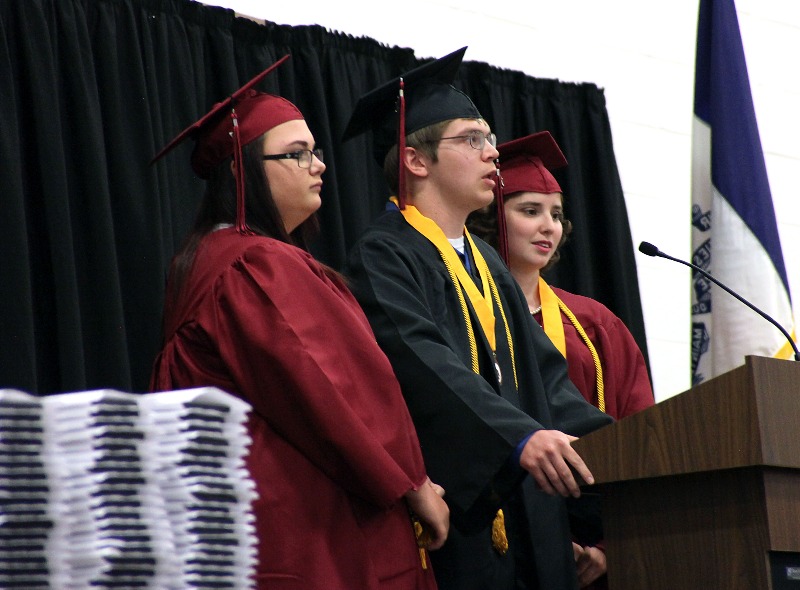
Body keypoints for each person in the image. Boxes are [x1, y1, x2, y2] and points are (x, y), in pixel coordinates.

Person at [148, 56, 449, 590]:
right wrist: (413, 483)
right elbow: (332, 384)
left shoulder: (202, 264)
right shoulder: (255, 265)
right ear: (243, 171)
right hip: (307, 527)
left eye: (315, 151)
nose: (319, 166)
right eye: (297, 154)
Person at [342, 47, 613, 590]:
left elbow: (547, 381)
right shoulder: (384, 255)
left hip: (532, 521)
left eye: (489, 139)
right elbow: (426, 365)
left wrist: (619, 451)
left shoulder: (486, 261)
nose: (493, 154)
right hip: (462, 519)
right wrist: (519, 438)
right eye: (472, 139)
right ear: (416, 161)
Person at [468, 131, 655, 588]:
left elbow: (641, 432)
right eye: (529, 211)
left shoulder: (594, 324)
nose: (548, 226)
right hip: (491, 537)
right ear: (494, 218)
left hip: (589, 543)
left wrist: (609, 547)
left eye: (556, 214)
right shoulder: (463, 314)